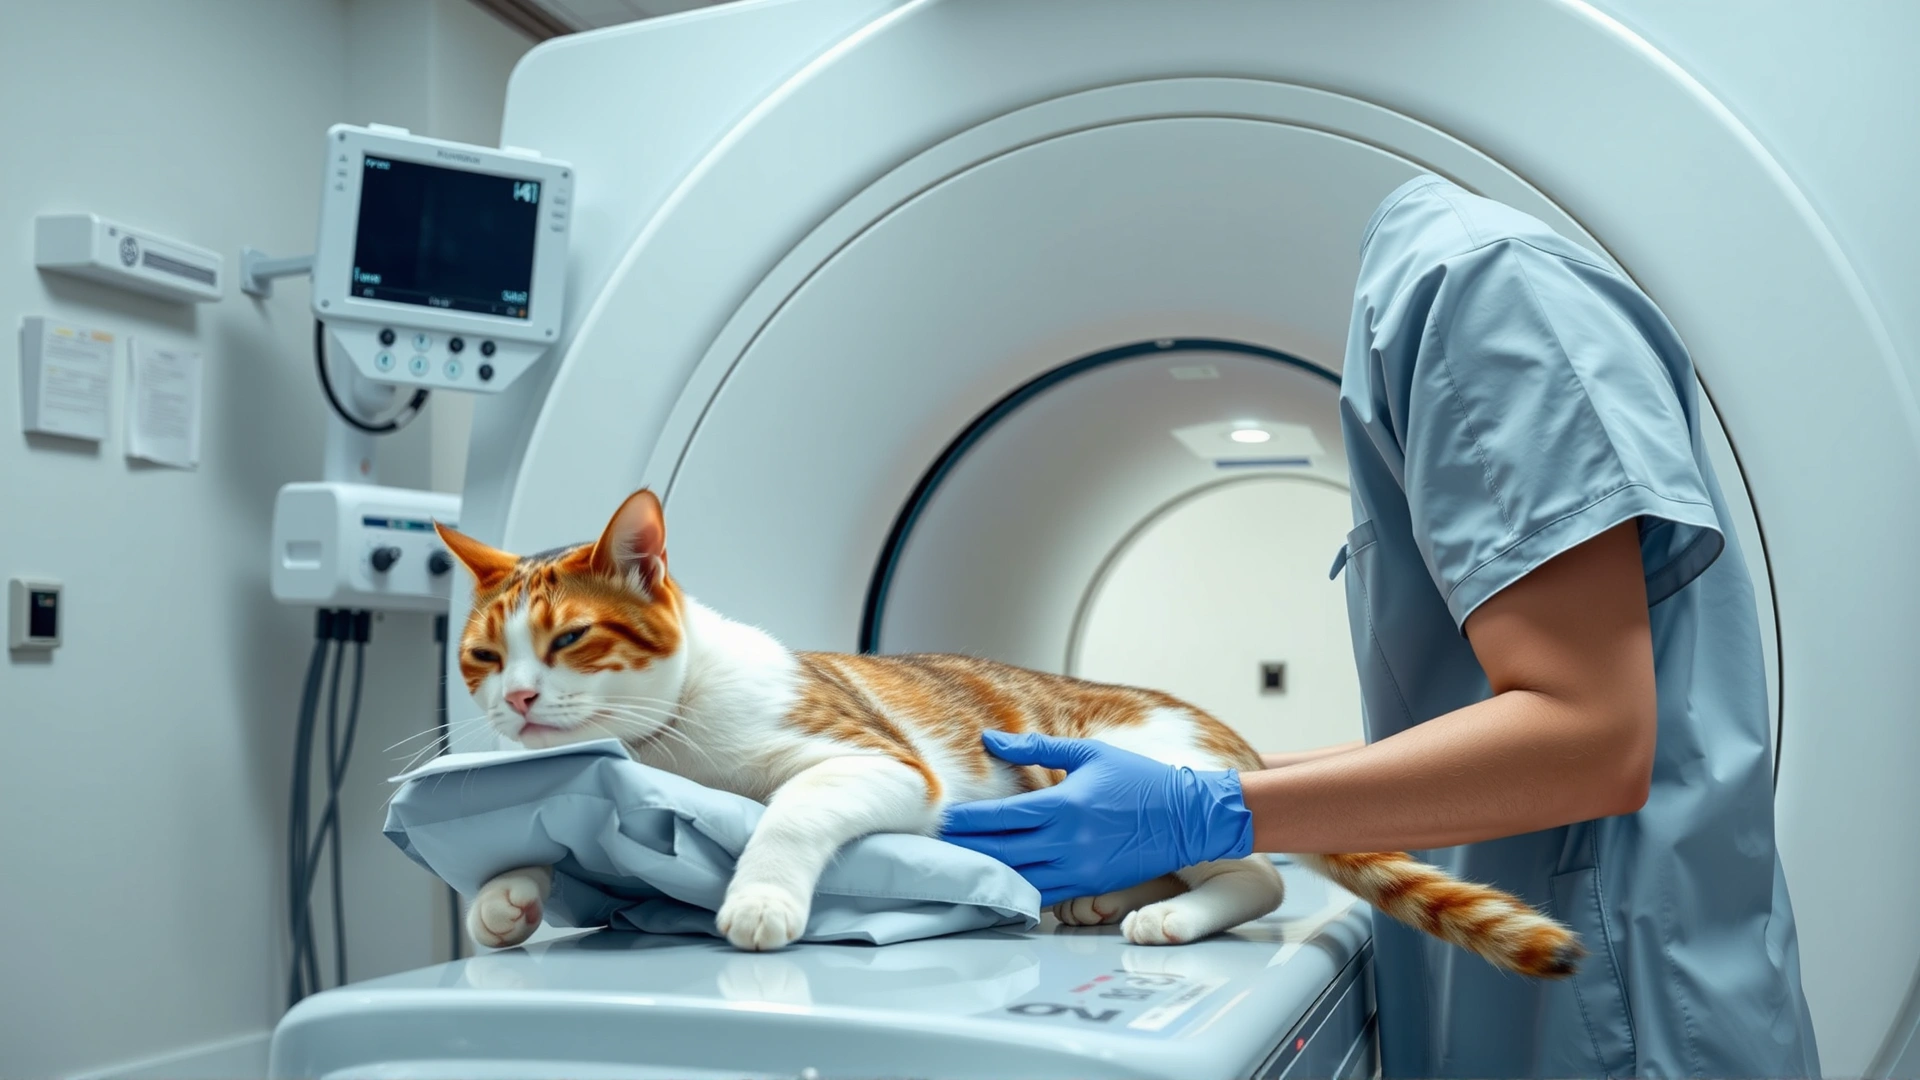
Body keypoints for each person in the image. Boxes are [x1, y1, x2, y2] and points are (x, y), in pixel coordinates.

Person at [941, 175, 1820, 1078]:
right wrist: (1205, 776)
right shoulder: (1435, 295)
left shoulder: (1478, 289)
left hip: (1625, 1009)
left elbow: (1590, 736)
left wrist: (1212, 812)